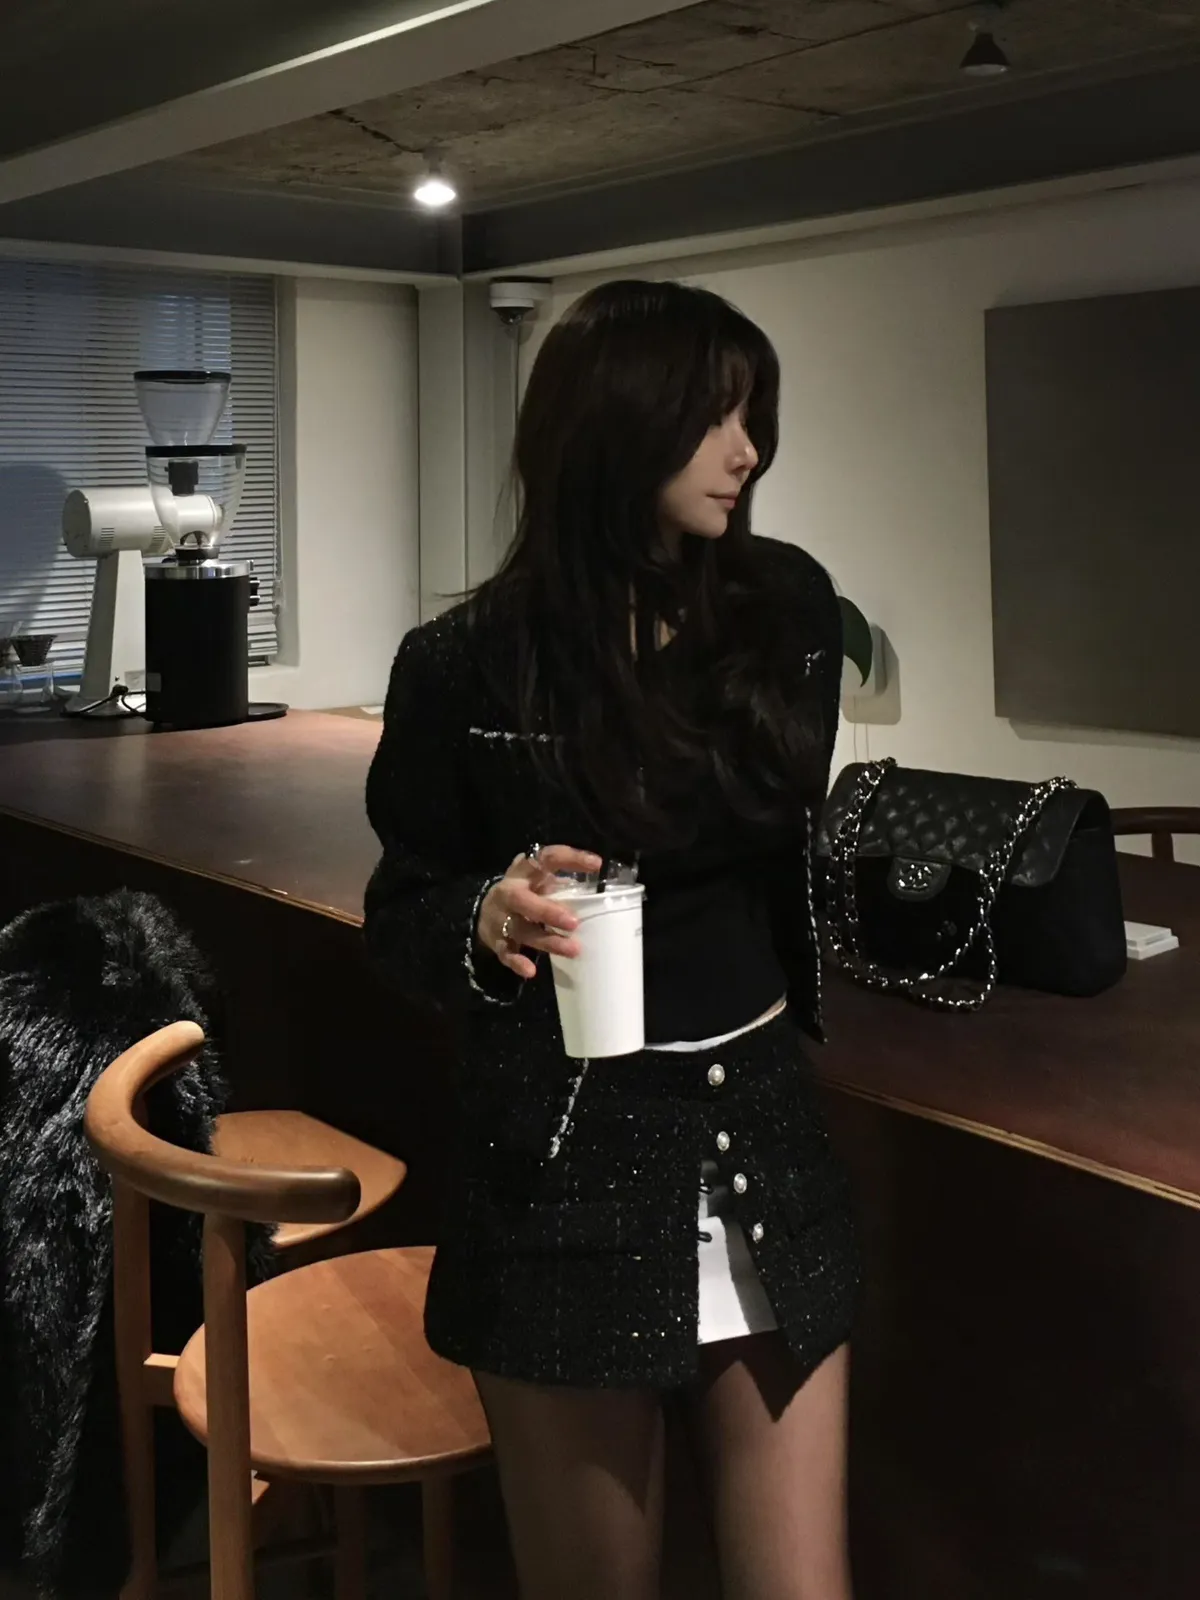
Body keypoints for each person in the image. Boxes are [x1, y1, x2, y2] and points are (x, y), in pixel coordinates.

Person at [364, 279, 859, 1600]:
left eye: (756, 416)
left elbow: (775, 817)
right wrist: (484, 910)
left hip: (758, 1129)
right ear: (617, 427)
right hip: (566, 1156)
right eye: (716, 417)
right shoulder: (464, 663)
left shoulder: (786, 612)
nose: (749, 451)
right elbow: (401, 910)